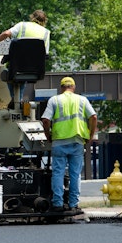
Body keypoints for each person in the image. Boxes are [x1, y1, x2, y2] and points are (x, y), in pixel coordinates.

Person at [41, 77, 97, 214]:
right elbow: (93, 117)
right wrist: (90, 135)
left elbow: (45, 120)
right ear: (73, 87)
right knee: (75, 175)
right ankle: (73, 204)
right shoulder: (82, 100)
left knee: (58, 173)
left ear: (61, 88)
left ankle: (58, 203)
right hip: (77, 141)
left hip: (59, 141)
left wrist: (48, 135)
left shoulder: (54, 100)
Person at [0, 9, 50, 105]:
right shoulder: (46, 32)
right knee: (23, 75)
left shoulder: (22, 25)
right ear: (44, 21)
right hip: (35, 71)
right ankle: (18, 102)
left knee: (8, 72)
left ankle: (15, 100)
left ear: (32, 17)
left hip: (17, 68)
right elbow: (45, 54)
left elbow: (7, 34)